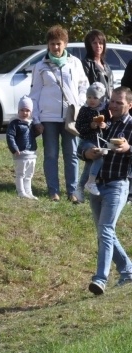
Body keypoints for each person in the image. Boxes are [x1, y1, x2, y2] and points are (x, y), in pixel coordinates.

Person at [79, 86, 132, 295]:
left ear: (129, 104)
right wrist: (87, 153)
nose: (114, 106)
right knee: (104, 233)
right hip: (97, 184)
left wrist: (129, 148)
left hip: (117, 184)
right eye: (112, 101)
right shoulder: (104, 124)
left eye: (119, 102)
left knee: (106, 230)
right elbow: (83, 146)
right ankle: (128, 271)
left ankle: (100, 279)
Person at [29, 25, 89, 203]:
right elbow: (34, 94)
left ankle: (73, 191)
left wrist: (78, 104)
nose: (56, 47)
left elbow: (83, 86)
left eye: (59, 44)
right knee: (51, 155)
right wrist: (36, 119)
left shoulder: (75, 63)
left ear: (65, 44)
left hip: (71, 118)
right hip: (48, 118)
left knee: (71, 155)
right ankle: (53, 190)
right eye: (52, 44)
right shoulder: (40, 66)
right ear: (48, 45)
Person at [75, 82, 109, 199]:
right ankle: (91, 181)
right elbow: (78, 127)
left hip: (100, 141)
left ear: (102, 99)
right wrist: (90, 125)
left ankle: (79, 189)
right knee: (99, 155)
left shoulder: (105, 111)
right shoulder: (84, 110)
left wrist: (105, 125)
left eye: (95, 98)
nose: (92, 100)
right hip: (86, 141)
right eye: (89, 97)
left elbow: (110, 124)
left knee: (89, 165)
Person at [6, 96, 39, 200]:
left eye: (27, 110)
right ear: (18, 111)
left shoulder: (31, 123)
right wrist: (14, 148)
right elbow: (10, 136)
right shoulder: (15, 123)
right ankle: (21, 191)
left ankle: (29, 192)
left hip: (31, 154)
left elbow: (33, 135)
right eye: (22, 110)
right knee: (21, 173)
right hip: (20, 153)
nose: (25, 113)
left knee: (29, 174)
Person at [82, 30, 113, 97]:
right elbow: (84, 88)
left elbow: (111, 87)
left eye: (100, 43)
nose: (98, 45)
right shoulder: (86, 64)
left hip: (106, 104)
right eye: (94, 43)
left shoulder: (106, 65)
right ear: (89, 45)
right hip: (94, 105)